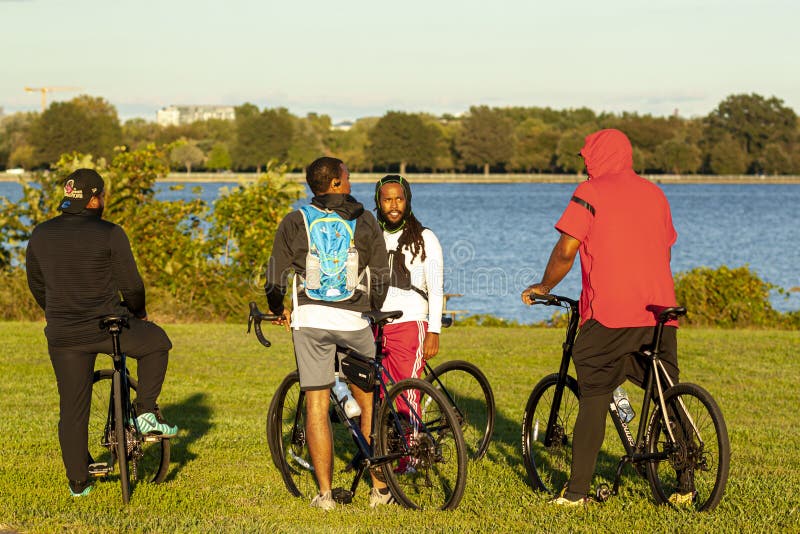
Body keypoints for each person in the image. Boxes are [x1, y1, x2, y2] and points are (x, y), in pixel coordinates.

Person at [521, 129, 686, 506]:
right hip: (660, 311)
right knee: (664, 392)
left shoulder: (590, 193)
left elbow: (566, 249)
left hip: (611, 312)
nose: (584, 163)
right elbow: (666, 251)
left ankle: (576, 492)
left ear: (599, 156)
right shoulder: (655, 194)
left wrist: (544, 286)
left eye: (586, 156)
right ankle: (685, 483)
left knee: (593, 393)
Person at [26, 168, 178, 498]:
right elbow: (132, 286)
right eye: (102, 196)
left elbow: (37, 284)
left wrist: (57, 311)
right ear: (95, 198)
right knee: (157, 342)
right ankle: (145, 413)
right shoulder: (110, 233)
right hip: (108, 328)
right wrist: (138, 311)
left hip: (64, 333)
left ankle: (79, 483)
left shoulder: (40, 234)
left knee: (72, 408)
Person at [265, 156, 391, 510]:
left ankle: (324, 495)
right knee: (368, 403)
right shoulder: (364, 219)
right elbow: (380, 276)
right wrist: (373, 311)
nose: (351, 181)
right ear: (335, 183)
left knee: (317, 405)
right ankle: (379, 489)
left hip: (311, 320)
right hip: (354, 320)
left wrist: (279, 310)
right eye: (347, 176)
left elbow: (274, 280)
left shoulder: (294, 221)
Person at [374, 175, 444, 386]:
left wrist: (434, 331)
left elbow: (436, 288)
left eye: (399, 199)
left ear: (408, 200)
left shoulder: (425, 238)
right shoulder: (373, 236)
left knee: (407, 391)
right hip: (376, 325)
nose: (394, 206)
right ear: (379, 202)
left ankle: (410, 421)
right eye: (387, 200)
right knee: (372, 393)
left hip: (410, 324)